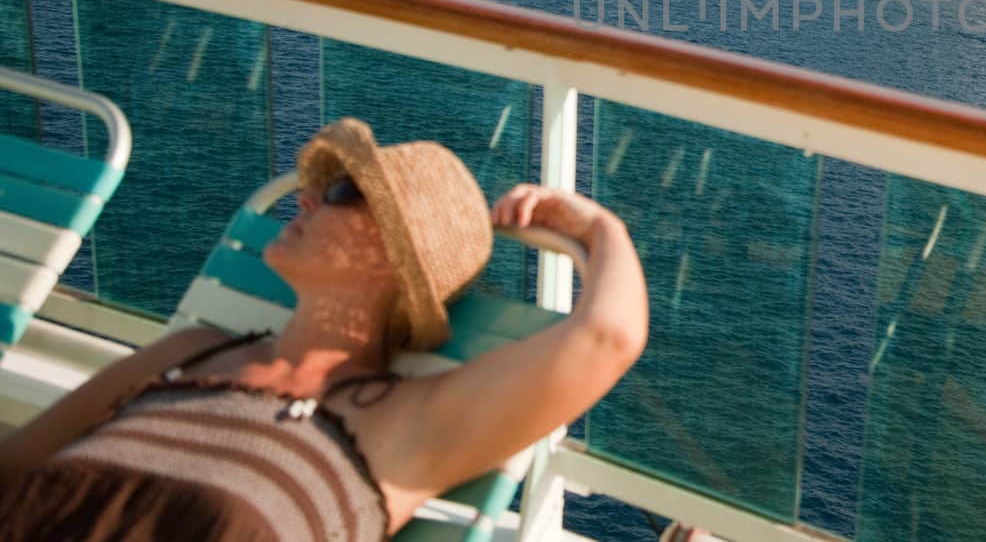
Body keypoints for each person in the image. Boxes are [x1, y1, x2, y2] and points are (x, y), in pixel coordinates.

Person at [0, 117, 648, 540]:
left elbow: (608, 337)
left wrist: (598, 227)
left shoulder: (406, 425)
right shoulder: (191, 351)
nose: (305, 197)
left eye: (340, 194)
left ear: (400, 254)